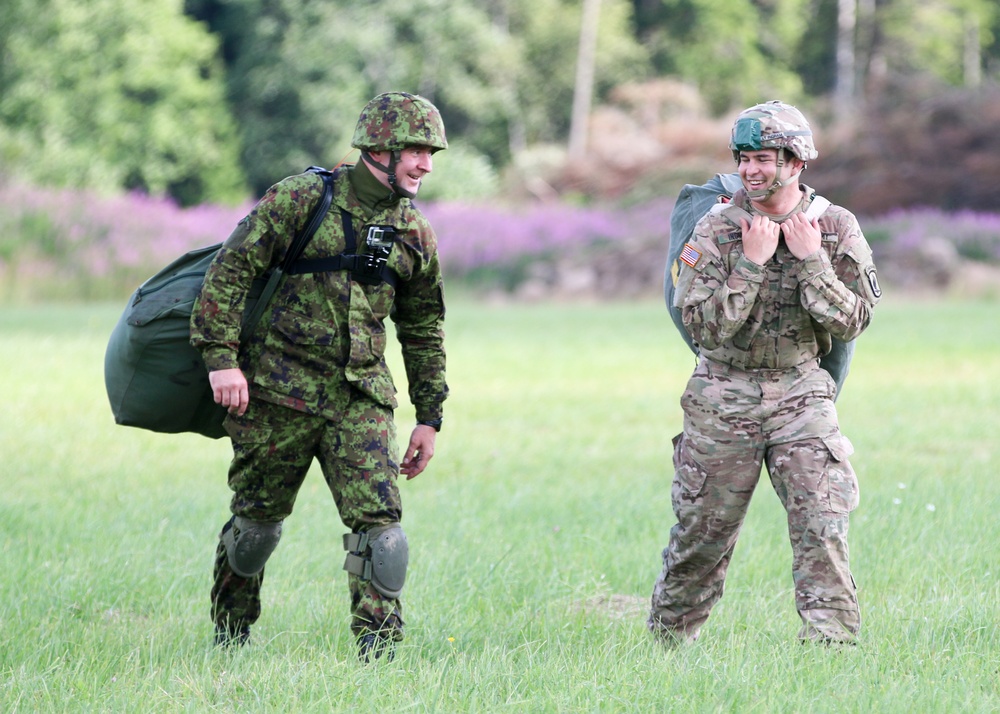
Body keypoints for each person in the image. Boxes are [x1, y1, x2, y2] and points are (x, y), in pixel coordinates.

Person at [190, 91, 450, 662]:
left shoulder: (414, 231)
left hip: (360, 400)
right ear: (378, 147)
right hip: (276, 396)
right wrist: (221, 359)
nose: (426, 165)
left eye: (431, 153)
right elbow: (230, 271)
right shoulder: (303, 199)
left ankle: (378, 659)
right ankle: (229, 640)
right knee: (255, 529)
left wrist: (429, 416)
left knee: (381, 534)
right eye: (416, 151)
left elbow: (425, 327)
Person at [648, 100, 882, 646]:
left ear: (796, 163)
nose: (752, 170)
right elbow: (703, 327)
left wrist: (810, 261)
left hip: (801, 392)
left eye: (765, 159)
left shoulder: (834, 227)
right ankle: (668, 646)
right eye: (745, 158)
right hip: (722, 394)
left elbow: (854, 320)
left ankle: (832, 652)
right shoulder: (715, 227)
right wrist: (751, 263)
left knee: (822, 526)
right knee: (702, 536)